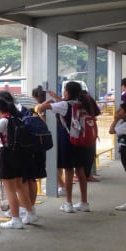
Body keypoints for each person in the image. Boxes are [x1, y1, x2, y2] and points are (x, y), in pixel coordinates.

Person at [34, 81, 93, 213]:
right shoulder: (81, 103)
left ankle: (68, 203)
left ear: (67, 92)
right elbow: (65, 105)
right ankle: (84, 202)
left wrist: (42, 105)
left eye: (64, 90)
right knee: (80, 170)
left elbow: (42, 108)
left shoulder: (62, 105)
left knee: (68, 171)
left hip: (68, 140)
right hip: (80, 140)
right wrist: (57, 98)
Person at [0, 97, 36, 228]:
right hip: (19, 155)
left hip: (6, 155)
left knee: (10, 189)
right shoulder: (16, 118)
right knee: (20, 187)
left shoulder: (2, 121)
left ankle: (15, 219)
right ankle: (30, 213)